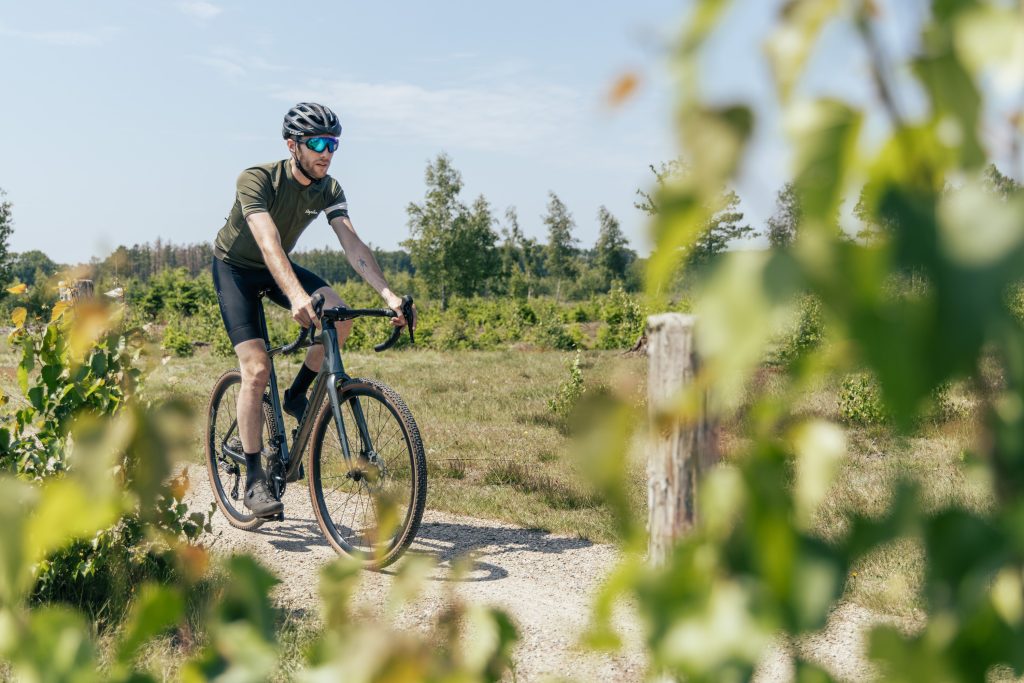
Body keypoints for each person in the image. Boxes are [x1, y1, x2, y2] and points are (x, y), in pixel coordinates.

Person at [212, 102, 410, 517]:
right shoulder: (257, 179)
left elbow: (352, 244)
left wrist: (389, 295)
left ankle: (298, 394)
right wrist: (297, 296)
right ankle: (253, 479)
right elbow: (267, 242)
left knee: (340, 317)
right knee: (256, 368)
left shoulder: (329, 188)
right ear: (292, 145)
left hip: (278, 264)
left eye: (333, 143)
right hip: (237, 269)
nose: (327, 152)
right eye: (317, 143)